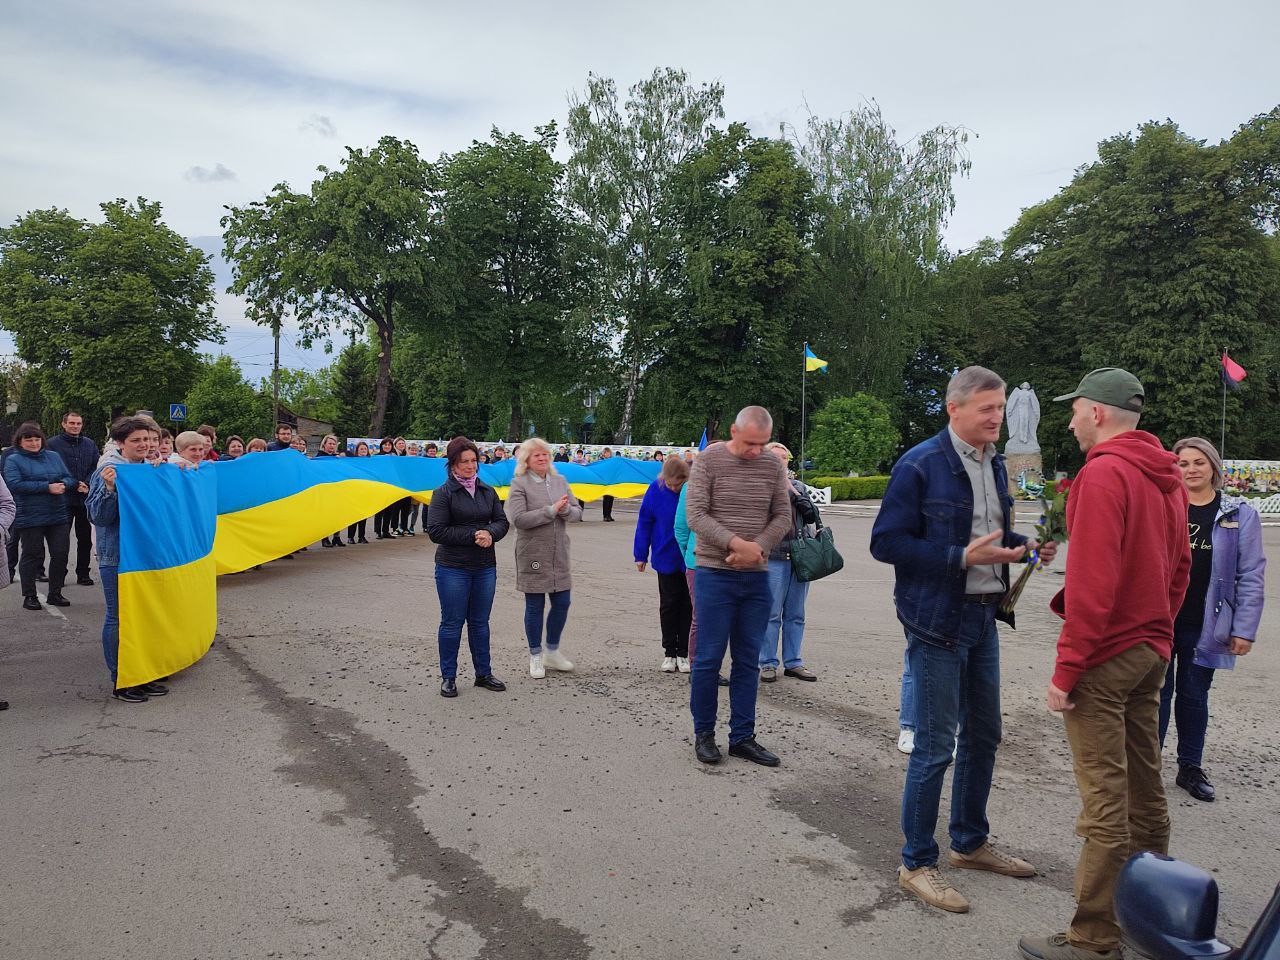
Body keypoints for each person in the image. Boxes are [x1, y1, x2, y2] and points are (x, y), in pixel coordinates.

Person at [1018, 368, 1188, 960]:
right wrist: (1160, 630)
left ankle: (1093, 939)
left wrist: (1067, 672)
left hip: (1108, 655)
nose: (1069, 422)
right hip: (1148, 651)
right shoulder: (1166, 473)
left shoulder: (1104, 473)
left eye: (1074, 411)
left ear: (1096, 412)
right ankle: (1151, 917)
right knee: (1145, 788)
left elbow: (1093, 586)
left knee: (1106, 803)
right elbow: (1180, 567)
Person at [871, 366, 1053, 915]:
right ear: (954, 408)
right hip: (936, 621)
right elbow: (886, 543)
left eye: (1000, 407)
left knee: (985, 735)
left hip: (983, 617)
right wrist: (959, 557)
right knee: (934, 747)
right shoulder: (920, 463)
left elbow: (988, 533)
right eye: (987, 409)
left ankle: (969, 844)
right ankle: (916, 862)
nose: (998, 418)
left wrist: (1026, 546)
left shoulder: (993, 463)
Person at [685, 406, 793, 768]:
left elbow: (783, 515)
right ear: (734, 431)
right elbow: (696, 514)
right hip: (715, 573)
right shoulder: (709, 460)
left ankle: (742, 737)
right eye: (749, 443)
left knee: (748, 660)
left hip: (756, 574)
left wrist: (757, 548)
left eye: (762, 444)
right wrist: (736, 544)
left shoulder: (772, 465)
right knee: (708, 659)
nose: (755, 451)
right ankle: (704, 734)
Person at [1159, 437, 1266, 803]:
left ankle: (1189, 766)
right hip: (1159, 620)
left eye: (1198, 462)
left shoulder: (1237, 514)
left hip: (1205, 623)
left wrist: (1244, 629)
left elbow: (1250, 574)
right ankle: (1146, 767)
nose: (1190, 470)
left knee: (1193, 695)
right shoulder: (1163, 506)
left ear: (1213, 467)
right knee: (1154, 695)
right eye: (1183, 463)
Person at [86, 417, 171, 703]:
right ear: (121, 443)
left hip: (148, 554)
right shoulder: (108, 471)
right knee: (119, 617)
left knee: (146, 616)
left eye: (147, 439)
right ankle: (121, 679)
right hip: (118, 556)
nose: (144, 445)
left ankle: (143, 672)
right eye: (136, 440)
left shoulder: (151, 469)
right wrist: (110, 490)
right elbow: (98, 517)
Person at [426, 437, 510, 697]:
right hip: (453, 568)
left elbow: (502, 521)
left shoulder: (487, 491)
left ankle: (483, 674)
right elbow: (436, 531)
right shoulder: (443, 494)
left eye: (474, 460)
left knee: (480, 623)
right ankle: (448, 677)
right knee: (452, 623)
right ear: (453, 463)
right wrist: (475, 534)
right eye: (465, 461)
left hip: (484, 567)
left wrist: (491, 533)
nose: (471, 466)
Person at [506, 437, 580, 679]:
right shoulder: (519, 484)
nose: (542, 458)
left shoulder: (560, 481)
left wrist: (565, 509)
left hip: (559, 553)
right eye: (536, 455)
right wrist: (550, 511)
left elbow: (577, 512)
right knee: (535, 605)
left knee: (563, 602)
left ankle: (552, 651)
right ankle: (536, 654)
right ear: (526, 459)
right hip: (532, 553)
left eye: (545, 454)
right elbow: (518, 519)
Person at [758, 442, 820, 683]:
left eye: (783, 458)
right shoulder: (758, 485)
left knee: (796, 614)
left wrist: (802, 501)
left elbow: (813, 518)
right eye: (775, 457)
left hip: (799, 556)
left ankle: (793, 662)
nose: (780, 462)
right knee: (771, 614)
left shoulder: (799, 486)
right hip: (772, 557)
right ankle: (767, 662)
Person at [4, 422, 76, 611]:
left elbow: (69, 478)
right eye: (29, 440)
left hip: (57, 514)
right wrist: (47, 487)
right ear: (20, 442)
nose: (34, 443)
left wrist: (64, 484)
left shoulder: (53, 456)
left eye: (37, 439)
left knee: (60, 554)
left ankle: (55, 593)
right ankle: (30, 595)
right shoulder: (13, 460)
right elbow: (14, 484)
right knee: (31, 555)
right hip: (30, 515)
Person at [634, 457, 692, 672]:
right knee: (668, 605)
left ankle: (684, 653)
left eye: (678, 484)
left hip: (690, 556)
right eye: (670, 484)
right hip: (665, 554)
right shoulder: (655, 489)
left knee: (688, 605)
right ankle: (669, 652)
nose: (674, 488)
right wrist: (640, 554)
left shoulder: (692, 489)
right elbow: (644, 522)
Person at [45, 411, 99, 587]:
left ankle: (83, 573)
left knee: (85, 539)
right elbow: (51, 469)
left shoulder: (89, 444)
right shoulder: (52, 444)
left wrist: (88, 482)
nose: (75, 426)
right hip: (63, 499)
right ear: (64, 424)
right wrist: (73, 483)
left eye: (78, 423)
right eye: (72, 423)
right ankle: (59, 575)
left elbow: (95, 466)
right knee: (61, 540)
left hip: (84, 498)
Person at [314, 434, 347, 548]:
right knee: (326, 516)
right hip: (324, 489)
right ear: (324, 444)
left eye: (334, 444)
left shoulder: (337, 457)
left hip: (336, 489)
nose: (332, 446)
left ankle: (336, 537)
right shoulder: (319, 457)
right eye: (330, 443)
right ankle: (325, 538)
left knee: (337, 514)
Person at [347, 442, 372, 544]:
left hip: (365, 492)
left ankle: (361, 536)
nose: (363, 451)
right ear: (357, 451)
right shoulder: (353, 462)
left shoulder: (370, 462)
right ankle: (350, 537)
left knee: (363, 515)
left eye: (365, 449)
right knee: (353, 515)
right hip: (355, 492)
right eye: (361, 449)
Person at [374, 438, 397, 539]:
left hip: (391, 486)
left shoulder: (394, 457)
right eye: (385, 444)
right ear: (381, 446)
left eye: (389, 445)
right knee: (380, 510)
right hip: (380, 486)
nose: (387, 446)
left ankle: (385, 531)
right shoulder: (376, 457)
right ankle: (378, 531)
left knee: (389, 510)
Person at [599, 447, 616, 521]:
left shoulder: (612, 461)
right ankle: (605, 516)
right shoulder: (601, 461)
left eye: (608, 452)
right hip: (605, 482)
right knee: (606, 499)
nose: (608, 454)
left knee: (611, 499)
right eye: (606, 452)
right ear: (604, 454)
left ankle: (609, 515)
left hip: (611, 482)